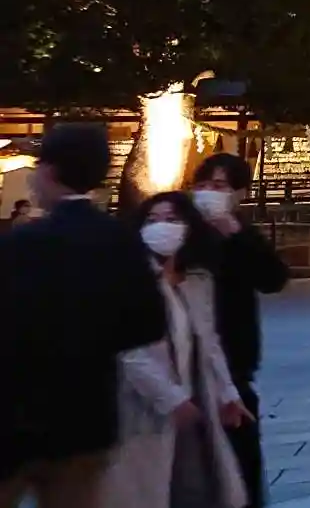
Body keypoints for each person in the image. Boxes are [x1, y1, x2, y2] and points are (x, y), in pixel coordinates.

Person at [0, 124, 169, 508]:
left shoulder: (21, 244)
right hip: (87, 417)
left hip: (16, 418)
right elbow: (149, 324)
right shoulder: (121, 240)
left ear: (49, 171)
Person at [105, 192, 251, 508]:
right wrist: (171, 398)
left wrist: (228, 392)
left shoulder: (197, 281)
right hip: (145, 407)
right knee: (148, 488)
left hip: (194, 399)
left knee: (195, 485)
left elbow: (208, 341)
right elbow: (130, 351)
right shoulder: (132, 280)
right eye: (152, 220)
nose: (162, 227)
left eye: (171, 219)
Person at [191, 154, 288, 507]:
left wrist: (234, 234)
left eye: (218, 186)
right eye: (202, 185)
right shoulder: (183, 233)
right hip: (187, 365)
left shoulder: (243, 236)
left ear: (239, 193)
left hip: (234, 364)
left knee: (241, 461)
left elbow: (273, 278)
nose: (208, 193)